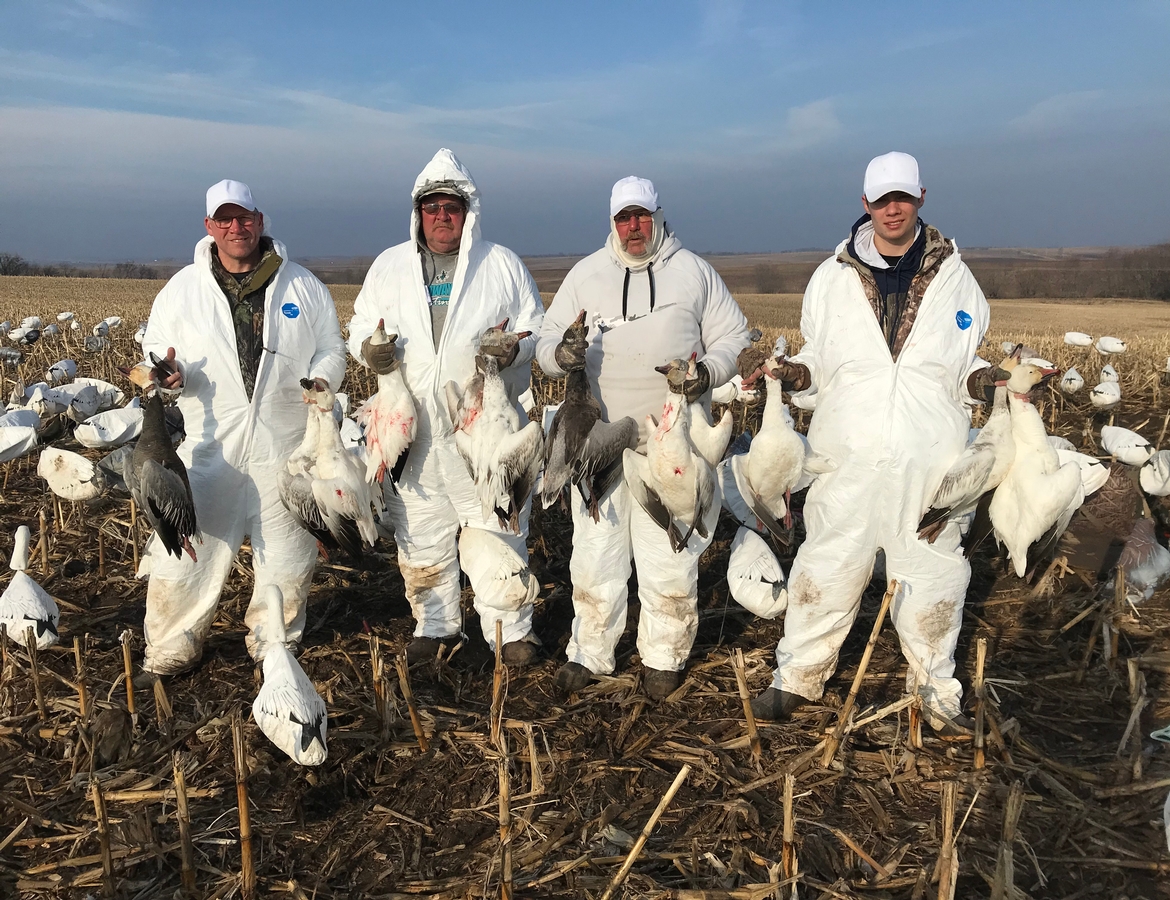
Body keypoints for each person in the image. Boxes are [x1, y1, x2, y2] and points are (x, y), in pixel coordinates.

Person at [744, 152, 997, 734]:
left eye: (902, 198)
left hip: (928, 461)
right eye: (882, 199)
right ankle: (798, 679)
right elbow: (818, 362)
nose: (892, 208)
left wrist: (993, 380)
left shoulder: (957, 279)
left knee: (933, 576)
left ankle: (936, 694)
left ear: (921, 198)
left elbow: (962, 369)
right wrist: (791, 374)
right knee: (826, 566)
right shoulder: (831, 278)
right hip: (848, 458)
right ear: (865, 205)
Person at [536, 176, 749, 701]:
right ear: (612, 222)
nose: (634, 227)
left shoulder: (692, 271)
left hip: (669, 444)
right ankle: (591, 651)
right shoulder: (586, 275)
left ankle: (664, 655)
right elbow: (545, 343)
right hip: (600, 443)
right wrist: (561, 354)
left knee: (668, 554)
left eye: (642, 216)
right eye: (624, 218)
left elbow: (734, 336)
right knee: (595, 553)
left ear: (657, 216)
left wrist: (708, 374)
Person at [138, 179, 346, 679]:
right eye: (225, 219)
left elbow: (332, 347)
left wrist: (324, 377)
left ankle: (274, 645)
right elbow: (157, 361)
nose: (237, 227)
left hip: (286, 446)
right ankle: (170, 649)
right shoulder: (181, 292)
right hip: (213, 449)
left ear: (260, 220)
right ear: (209, 226)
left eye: (245, 217)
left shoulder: (301, 284)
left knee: (287, 558)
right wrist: (170, 376)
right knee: (186, 553)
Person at [347, 148, 545, 665]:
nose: (442, 216)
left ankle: (511, 630)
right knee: (420, 532)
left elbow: (536, 331)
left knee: (495, 524)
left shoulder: (500, 265)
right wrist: (369, 350)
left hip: (481, 425)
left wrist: (515, 348)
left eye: (451, 207)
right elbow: (359, 327)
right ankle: (435, 627)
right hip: (414, 430)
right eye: (432, 207)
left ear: (467, 212)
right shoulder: (389, 267)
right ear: (418, 212)